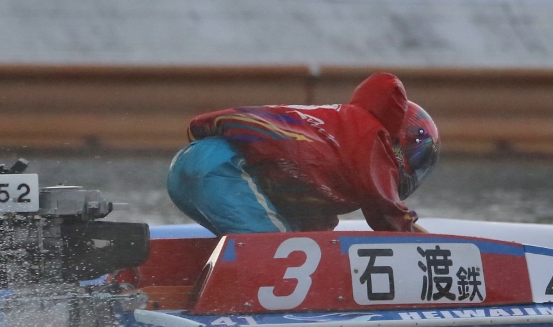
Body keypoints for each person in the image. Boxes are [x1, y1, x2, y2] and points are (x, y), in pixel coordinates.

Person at [167, 72, 439, 235]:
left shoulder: (339, 129)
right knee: (272, 248)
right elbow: (386, 214)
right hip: (227, 169)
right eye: (416, 152)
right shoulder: (372, 137)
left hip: (188, 165)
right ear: (396, 143)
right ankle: (236, 324)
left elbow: (312, 224)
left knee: (276, 237)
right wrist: (430, 242)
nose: (414, 161)